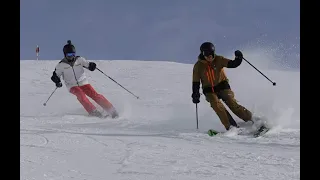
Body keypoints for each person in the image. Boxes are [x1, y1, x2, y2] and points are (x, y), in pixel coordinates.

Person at [191, 42, 253, 130]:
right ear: (202, 54)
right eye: (206, 54)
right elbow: (196, 82)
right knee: (217, 105)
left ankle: (251, 119)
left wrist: (238, 59)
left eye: (211, 54)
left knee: (232, 103)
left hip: (222, 85)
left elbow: (232, 64)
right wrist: (195, 94)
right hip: (209, 90)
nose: (209, 56)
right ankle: (231, 126)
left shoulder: (219, 59)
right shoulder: (198, 66)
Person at [50, 40, 119, 118]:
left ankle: (112, 110)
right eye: (69, 54)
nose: (71, 56)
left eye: (73, 54)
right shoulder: (61, 65)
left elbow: (88, 65)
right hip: (72, 86)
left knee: (95, 95)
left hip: (83, 83)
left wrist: (92, 66)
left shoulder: (79, 60)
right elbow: (55, 75)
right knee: (80, 95)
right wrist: (57, 81)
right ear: (65, 54)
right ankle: (93, 111)